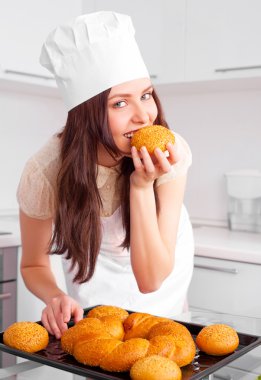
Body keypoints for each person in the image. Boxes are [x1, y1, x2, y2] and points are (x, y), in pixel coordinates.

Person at [17, 11, 194, 340]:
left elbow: (151, 279)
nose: (144, 116)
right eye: (119, 104)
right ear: (87, 113)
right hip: (93, 288)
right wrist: (55, 297)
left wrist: (140, 186)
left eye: (145, 95)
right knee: (96, 351)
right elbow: (32, 264)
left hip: (161, 281)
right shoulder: (46, 172)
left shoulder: (170, 152)